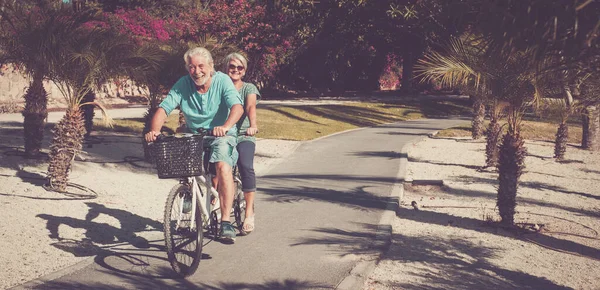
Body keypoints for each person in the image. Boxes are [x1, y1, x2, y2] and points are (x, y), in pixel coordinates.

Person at [144, 47, 243, 243]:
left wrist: (225, 126)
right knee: (184, 162)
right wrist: (155, 131)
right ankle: (189, 193)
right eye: (192, 67)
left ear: (211, 67)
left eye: (201, 66)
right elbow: (164, 109)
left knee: (223, 166)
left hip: (221, 134)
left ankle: (225, 222)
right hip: (195, 134)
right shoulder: (183, 84)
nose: (197, 71)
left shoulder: (222, 81)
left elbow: (237, 107)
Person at [223, 52, 260, 235]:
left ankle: (249, 212)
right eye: (232, 66)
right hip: (224, 133)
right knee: (217, 167)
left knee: (245, 166)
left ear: (244, 71)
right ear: (226, 68)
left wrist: (253, 125)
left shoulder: (249, 88)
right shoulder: (220, 84)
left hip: (244, 134)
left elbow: (250, 106)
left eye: (240, 67)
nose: (235, 70)